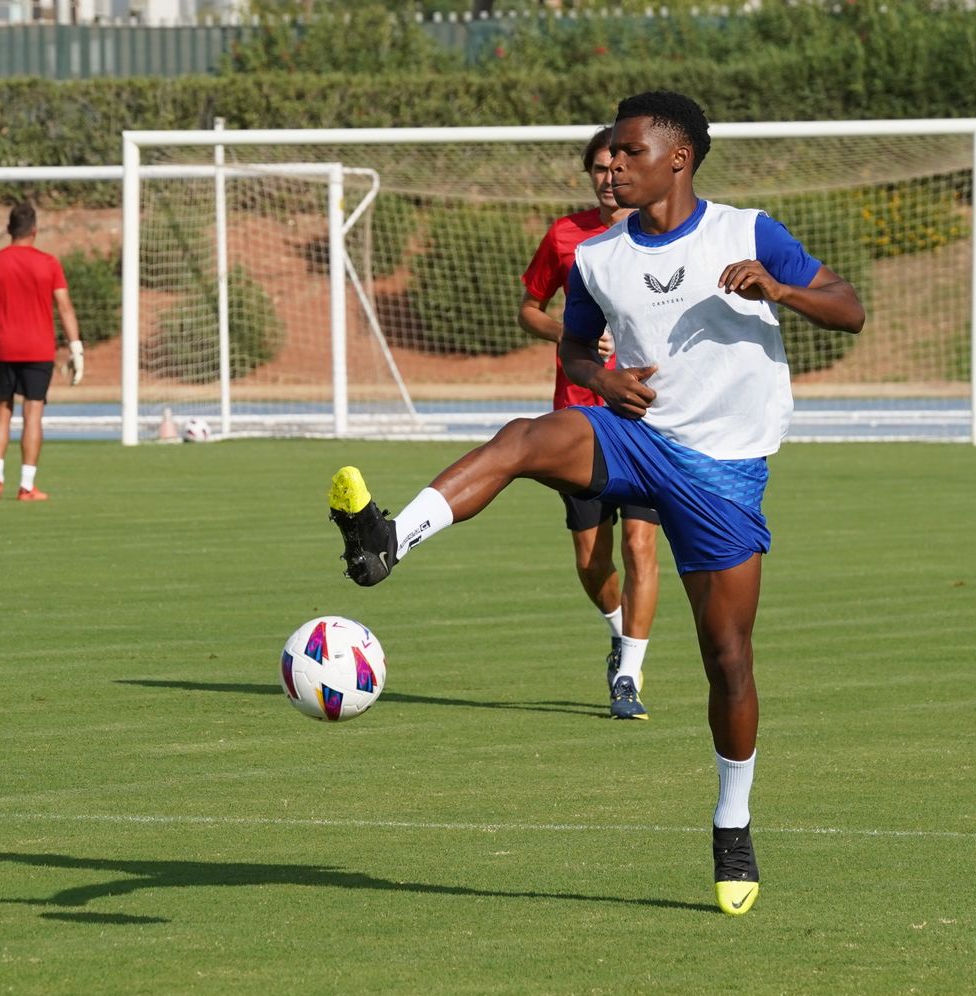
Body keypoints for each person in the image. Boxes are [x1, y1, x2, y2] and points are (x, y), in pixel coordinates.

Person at [326, 90, 864, 916]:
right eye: (609, 153)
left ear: (678, 159)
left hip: (722, 473)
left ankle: (732, 821)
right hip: (632, 436)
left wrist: (781, 291)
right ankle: (388, 540)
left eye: (629, 152)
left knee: (728, 660)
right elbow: (576, 345)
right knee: (522, 437)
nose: (611, 164)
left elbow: (850, 309)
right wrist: (601, 379)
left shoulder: (749, 232)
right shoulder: (598, 257)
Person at [518, 127, 662, 720]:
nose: (610, 177)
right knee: (590, 559)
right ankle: (618, 633)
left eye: (619, 165)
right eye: (598, 169)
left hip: (646, 420)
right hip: (579, 420)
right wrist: (568, 333)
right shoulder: (566, 236)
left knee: (639, 546)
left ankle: (629, 673)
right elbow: (529, 307)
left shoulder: (662, 235)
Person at [0, 202, 84, 500]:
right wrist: (76, 348)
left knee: (1, 410)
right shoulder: (49, 263)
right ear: (35, 230)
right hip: (38, 349)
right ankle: (27, 485)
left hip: (4, 348)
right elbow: (65, 307)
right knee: (33, 414)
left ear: (9, 230)